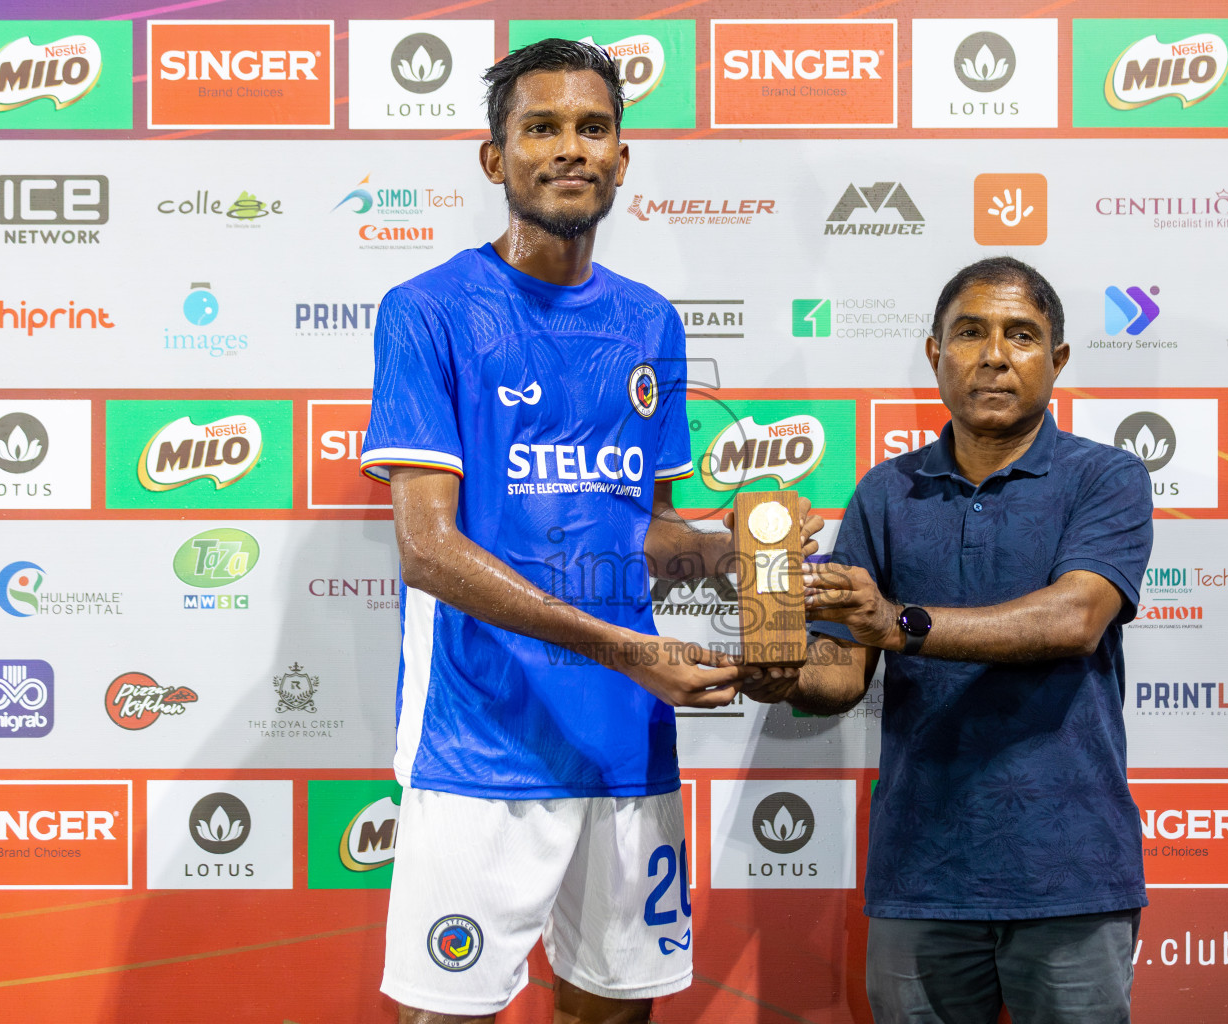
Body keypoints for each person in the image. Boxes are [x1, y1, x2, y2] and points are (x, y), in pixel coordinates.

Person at [359, 39, 819, 1024]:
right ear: (497, 159)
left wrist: (741, 550)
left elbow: (638, 532)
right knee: (446, 1013)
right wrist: (630, 649)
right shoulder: (429, 311)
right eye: (542, 127)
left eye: (593, 128)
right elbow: (428, 548)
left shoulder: (650, 322)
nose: (570, 148)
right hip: (480, 738)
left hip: (627, 737)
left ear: (621, 158)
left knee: (615, 1008)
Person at [742, 257, 1153, 1023]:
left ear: (1057, 361)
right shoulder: (884, 493)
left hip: (1071, 870)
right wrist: (778, 665)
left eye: (1021, 335)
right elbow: (840, 677)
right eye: (970, 333)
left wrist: (897, 623)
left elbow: (1074, 619)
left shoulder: (1107, 479)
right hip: (921, 875)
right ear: (935, 354)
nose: (994, 355)